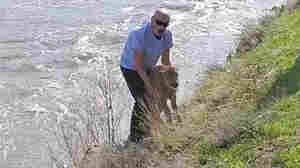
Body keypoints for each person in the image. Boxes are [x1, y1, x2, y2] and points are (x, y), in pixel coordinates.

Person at [120, 9, 174, 143]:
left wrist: (169, 80)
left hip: (149, 66)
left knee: (161, 94)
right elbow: (138, 66)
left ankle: (148, 127)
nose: (161, 27)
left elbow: (166, 61)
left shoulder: (167, 36)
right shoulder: (138, 36)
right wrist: (149, 87)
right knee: (143, 99)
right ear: (152, 20)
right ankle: (134, 139)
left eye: (165, 24)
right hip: (131, 68)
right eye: (158, 22)